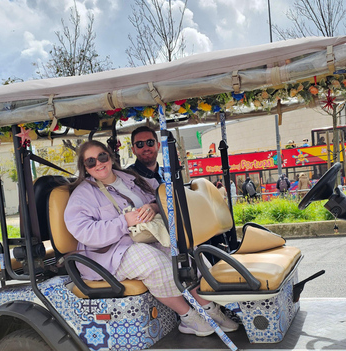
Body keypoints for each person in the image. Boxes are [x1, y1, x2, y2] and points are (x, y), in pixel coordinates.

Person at [64, 140, 238, 337]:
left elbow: (160, 196)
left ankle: (210, 310)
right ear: (84, 167)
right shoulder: (82, 195)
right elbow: (84, 231)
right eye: (90, 161)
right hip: (108, 254)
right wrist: (123, 222)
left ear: (110, 156)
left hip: (146, 237)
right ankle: (187, 317)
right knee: (155, 263)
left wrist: (153, 207)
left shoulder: (131, 178)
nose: (98, 163)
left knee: (186, 256)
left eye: (102, 156)